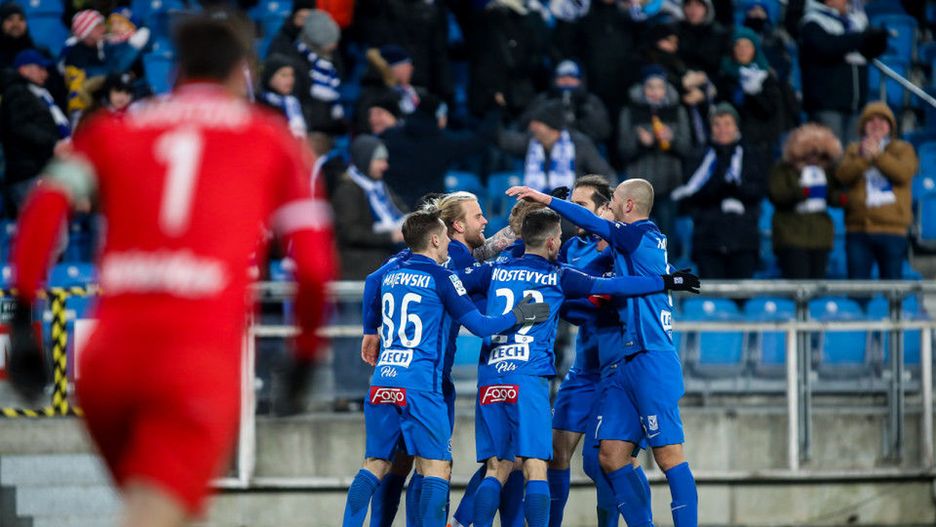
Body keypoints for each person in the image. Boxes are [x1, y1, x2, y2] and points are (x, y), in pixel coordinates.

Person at [6, 14, 336, 527]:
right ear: (240, 73)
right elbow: (313, 266)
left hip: (109, 360)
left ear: (177, 71)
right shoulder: (269, 139)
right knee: (154, 512)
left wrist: (26, 315)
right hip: (194, 362)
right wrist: (306, 353)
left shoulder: (112, 131)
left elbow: (44, 207)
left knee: (163, 506)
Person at [459, 208, 699, 527]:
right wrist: (666, 280)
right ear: (552, 243)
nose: (561, 243)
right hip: (528, 377)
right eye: (559, 238)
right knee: (536, 467)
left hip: (490, 377)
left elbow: (454, 282)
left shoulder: (494, 270)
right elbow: (615, 286)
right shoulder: (558, 276)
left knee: (496, 468)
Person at [341, 209, 552, 527]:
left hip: (383, 379)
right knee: (437, 468)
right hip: (421, 384)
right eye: (445, 237)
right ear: (436, 240)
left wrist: (370, 331)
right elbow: (480, 326)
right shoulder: (442, 277)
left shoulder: (392, 272)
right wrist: (519, 315)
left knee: (375, 464)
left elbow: (371, 283)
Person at [673, 103, 767, 279]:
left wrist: (735, 189)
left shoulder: (752, 154)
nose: (722, 129)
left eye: (727, 124)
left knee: (742, 293)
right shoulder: (699, 155)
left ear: (736, 126)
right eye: (717, 124)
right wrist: (721, 186)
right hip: (707, 239)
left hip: (743, 239)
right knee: (712, 291)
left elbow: (759, 189)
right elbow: (691, 193)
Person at [833, 101, 918, 280]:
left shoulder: (903, 149)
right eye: (871, 120)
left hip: (893, 230)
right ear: (863, 126)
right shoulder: (853, 150)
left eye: (882, 120)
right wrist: (864, 158)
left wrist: (878, 156)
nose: (876, 124)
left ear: (890, 127)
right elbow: (842, 176)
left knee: (893, 288)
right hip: (858, 230)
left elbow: (903, 174)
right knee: (858, 288)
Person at [618, 65, 691, 246]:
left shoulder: (678, 110)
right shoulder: (630, 111)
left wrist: (672, 140)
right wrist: (640, 143)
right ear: (643, 88)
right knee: (637, 240)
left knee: (666, 239)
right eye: (650, 87)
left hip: (669, 185)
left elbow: (687, 148)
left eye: (659, 87)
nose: (655, 92)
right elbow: (623, 151)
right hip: (638, 189)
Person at [798, 0, 889, 143]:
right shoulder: (813, 22)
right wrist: (860, 37)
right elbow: (827, 47)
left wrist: (878, 40)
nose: (846, 1)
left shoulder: (855, 22)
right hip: (828, 106)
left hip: (855, 105)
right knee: (831, 151)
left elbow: (868, 51)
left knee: (853, 154)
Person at [382, 94, 491, 209]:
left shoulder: (392, 135)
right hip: (427, 211)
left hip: (391, 207)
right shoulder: (444, 142)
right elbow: (480, 140)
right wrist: (494, 112)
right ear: (438, 116)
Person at [1, 49, 71, 217]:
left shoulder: (34, 93)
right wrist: (53, 143)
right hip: (27, 173)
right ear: (24, 69)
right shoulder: (16, 92)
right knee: (42, 227)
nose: (45, 74)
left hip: (38, 170)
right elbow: (21, 126)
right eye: (40, 68)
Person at [768, 123, 844, 279]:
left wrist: (843, 198)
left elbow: (833, 196)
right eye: (810, 152)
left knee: (817, 286)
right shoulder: (783, 169)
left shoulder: (827, 172)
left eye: (819, 153)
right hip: (791, 235)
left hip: (820, 237)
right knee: (797, 283)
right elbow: (778, 195)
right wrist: (805, 192)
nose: (814, 157)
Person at [332, 134, 408, 279]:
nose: (385, 166)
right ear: (364, 159)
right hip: (360, 268)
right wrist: (390, 236)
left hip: (385, 261)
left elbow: (402, 210)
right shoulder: (347, 191)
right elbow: (351, 233)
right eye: (379, 160)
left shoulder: (380, 187)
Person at [499, 101, 613, 193]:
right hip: (537, 209)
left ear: (551, 127)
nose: (532, 127)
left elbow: (606, 175)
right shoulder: (531, 142)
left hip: (571, 207)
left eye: (538, 123)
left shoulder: (580, 144)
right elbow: (504, 141)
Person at [61, 9, 149, 118]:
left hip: (99, 108)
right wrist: (132, 47)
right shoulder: (77, 54)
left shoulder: (99, 47)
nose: (104, 29)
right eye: (98, 26)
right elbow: (110, 72)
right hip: (83, 112)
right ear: (86, 31)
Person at [715, 27, 785, 153]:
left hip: (761, 141)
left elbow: (772, 110)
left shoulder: (766, 77)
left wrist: (754, 93)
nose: (742, 50)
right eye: (738, 46)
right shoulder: (724, 76)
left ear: (754, 49)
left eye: (747, 46)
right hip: (731, 142)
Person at [520, 60, 612, 144]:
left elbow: (604, 132)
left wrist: (584, 111)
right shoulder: (543, 99)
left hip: (584, 149)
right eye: (562, 77)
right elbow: (524, 125)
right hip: (548, 148)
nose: (567, 80)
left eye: (572, 76)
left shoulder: (591, 101)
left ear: (580, 80)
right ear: (554, 79)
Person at [293, 9, 344, 134]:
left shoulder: (330, 60)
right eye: (331, 42)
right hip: (310, 126)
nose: (335, 46)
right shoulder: (298, 61)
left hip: (326, 125)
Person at [676, 0, 729, 80]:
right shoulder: (675, 30)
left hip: (711, 79)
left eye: (698, 5)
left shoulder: (719, 33)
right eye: (689, 5)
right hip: (680, 77)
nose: (693, 10)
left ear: (707, 8)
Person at [258, 54, 308, 138]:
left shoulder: (294, 103)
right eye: (283, 75)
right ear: (269, 77)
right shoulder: (260, 104)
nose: (290, 80)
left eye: (292, 75)